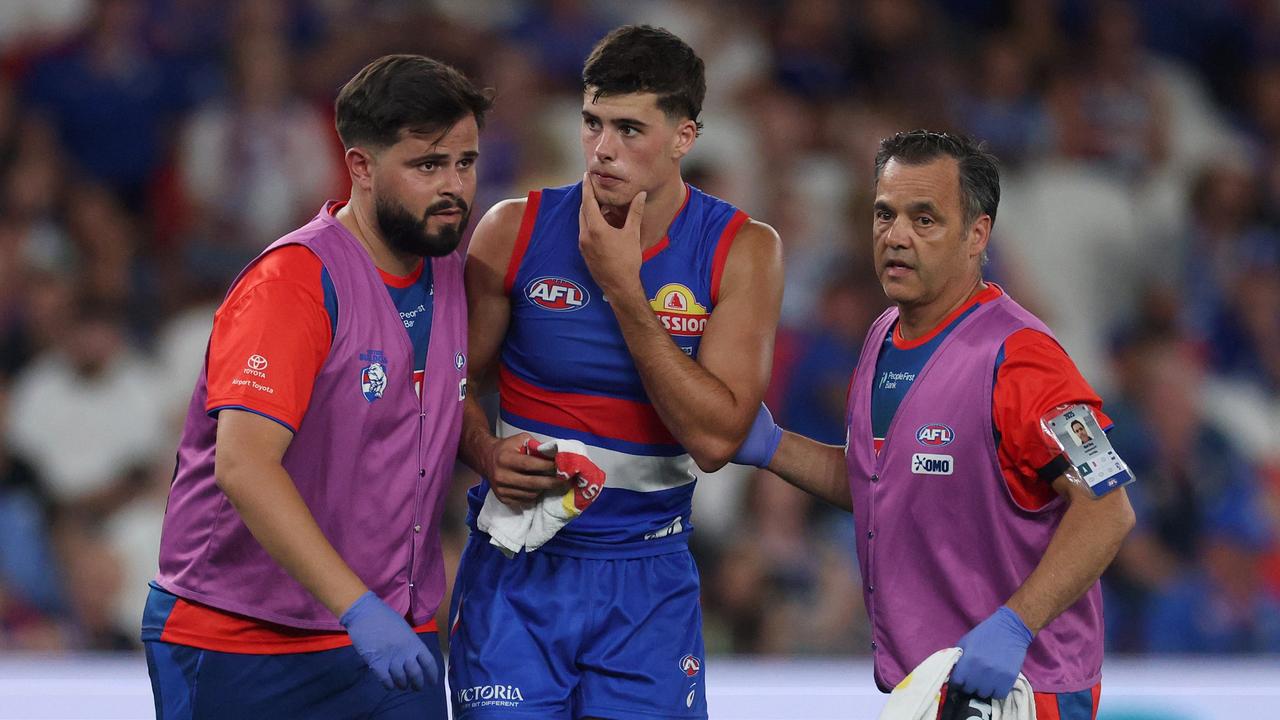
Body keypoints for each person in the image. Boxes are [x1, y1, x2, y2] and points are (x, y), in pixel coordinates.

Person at [734, 130, 1136, 719]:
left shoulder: (1020, 357)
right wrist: (772, 446)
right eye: (885, 214)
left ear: (977, 234)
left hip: (1022, 691)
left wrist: (1014, 626)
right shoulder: (882, 337)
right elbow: (884, 487)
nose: (896, 236)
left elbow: (1108, 508)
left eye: (924, 219)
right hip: (928, 688)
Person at [449, 25, 783, 720]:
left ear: (685, 136)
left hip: (647, 584)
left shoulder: (742, 250)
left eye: (630, 129)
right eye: (592, 122)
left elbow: (717, 441)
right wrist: (484, 450)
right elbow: (452, 388)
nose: (603, 149)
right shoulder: (511, 230)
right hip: (518, 573)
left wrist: (626, 291)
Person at [141, 55, 490, 719]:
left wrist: (492, 453)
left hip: (390, 633)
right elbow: (244, 465)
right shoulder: (294, 284)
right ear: (359, 166)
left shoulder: (447, 269)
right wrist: (357, 607)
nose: (454, 187)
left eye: (465, 163)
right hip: (242, 639)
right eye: (427, 165)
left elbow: (434, 391)